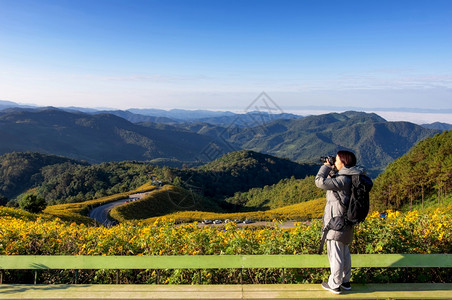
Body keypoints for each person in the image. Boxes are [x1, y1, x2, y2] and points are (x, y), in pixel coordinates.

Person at [315, 150, 364, 294]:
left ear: (343, 162)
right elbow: (336, 186)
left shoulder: (343, 180)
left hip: (336, 222)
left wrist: (325, 167)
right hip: (347, 222)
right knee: (344, 253)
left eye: (336, 160)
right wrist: (333, 171)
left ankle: (334, 284)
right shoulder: (350, 177)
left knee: (335, 254)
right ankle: (345, 281)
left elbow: (320, 182)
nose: (334, 162)